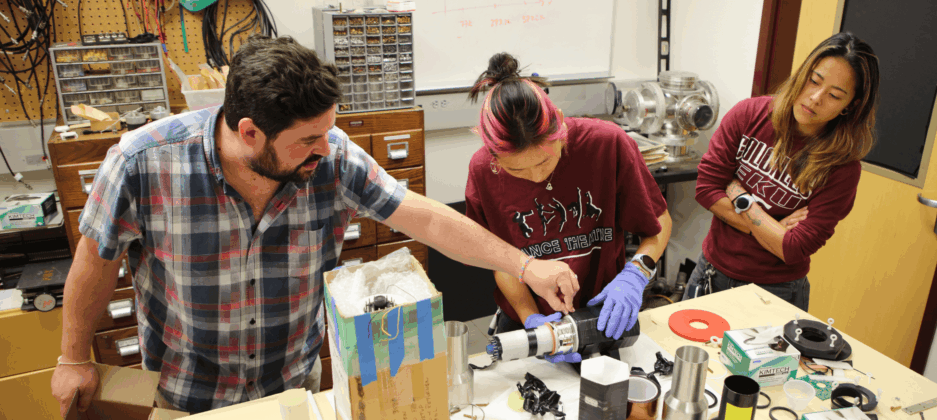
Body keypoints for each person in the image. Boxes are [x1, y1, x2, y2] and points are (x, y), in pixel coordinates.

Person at [51, 36, 579, 415]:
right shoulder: (143, 163)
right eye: (308, 139)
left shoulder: (332, 157)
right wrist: (73, 357)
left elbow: (426, 219)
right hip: (189, 399)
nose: (326, 149)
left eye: (328, 131)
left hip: (293, 391)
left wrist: (525, 265)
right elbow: (95, 262)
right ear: (250, 133)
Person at [464, 53, 672, 363]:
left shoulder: (607, 144)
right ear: (493, 156)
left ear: (559, 122)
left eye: (545, 160)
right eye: (518, 172)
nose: (537, 176)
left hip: (603, 316)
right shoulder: (484, 171)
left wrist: (636, 274)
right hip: (529, 324)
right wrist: (531, 319)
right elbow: (500, 262)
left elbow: (659, 223)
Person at [685, 32, 880, 311]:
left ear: (851, 106)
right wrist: (772, 229)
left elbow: (793, 249)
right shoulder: (749, 115)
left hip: (776, 291)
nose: (815, 98)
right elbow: (705, 189)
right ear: (802, 74)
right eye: (814, 81)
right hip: (711, 271)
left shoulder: (842, 169)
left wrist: (741, 196)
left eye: (834, 96)